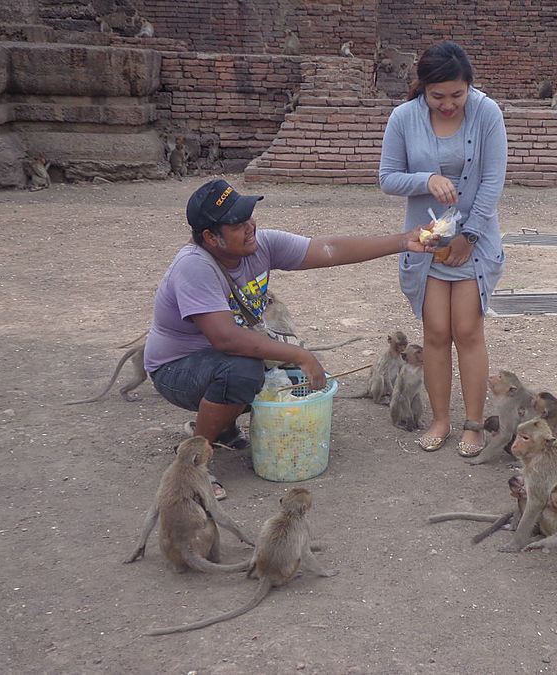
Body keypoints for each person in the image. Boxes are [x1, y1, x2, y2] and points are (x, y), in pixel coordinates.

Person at [144, 178, 436, 499]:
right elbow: (226, 339)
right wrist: (301, 355)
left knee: (294, 379)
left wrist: (404, 241)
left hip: (221, 359)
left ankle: (222, 426)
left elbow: (330, 249)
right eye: (238, 224)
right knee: (244, 372)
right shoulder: (194, 266)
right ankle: (194, 463)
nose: (250, 226)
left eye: (249, 217)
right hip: (177, 370)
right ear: (211, 237)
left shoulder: (260, 245)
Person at [379, 41, 508, 457]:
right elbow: (387, 177)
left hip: (473, 240)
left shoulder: (488, 114)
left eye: (457, 94)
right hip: (426, 243)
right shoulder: (403, 118)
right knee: (435, 333)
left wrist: (469, 237)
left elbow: (492, 180)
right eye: (438, 97)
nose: (449, 104)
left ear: (469, 86)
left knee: (467, 330)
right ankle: (440, 419)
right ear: (423, 89)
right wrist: (426, 179)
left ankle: (473, 423)